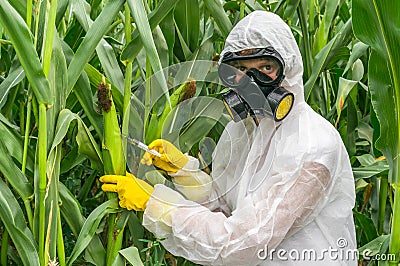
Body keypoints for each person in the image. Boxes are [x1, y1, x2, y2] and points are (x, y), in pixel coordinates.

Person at [100, 11, 357, 265]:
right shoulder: (244, 130)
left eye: (266, 67)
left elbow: (242, 243)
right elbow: (224, 204)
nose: (251, 81)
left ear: (288, 69)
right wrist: (184, 172)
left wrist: (155, 206)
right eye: (241, 70)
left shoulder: (313, 148)